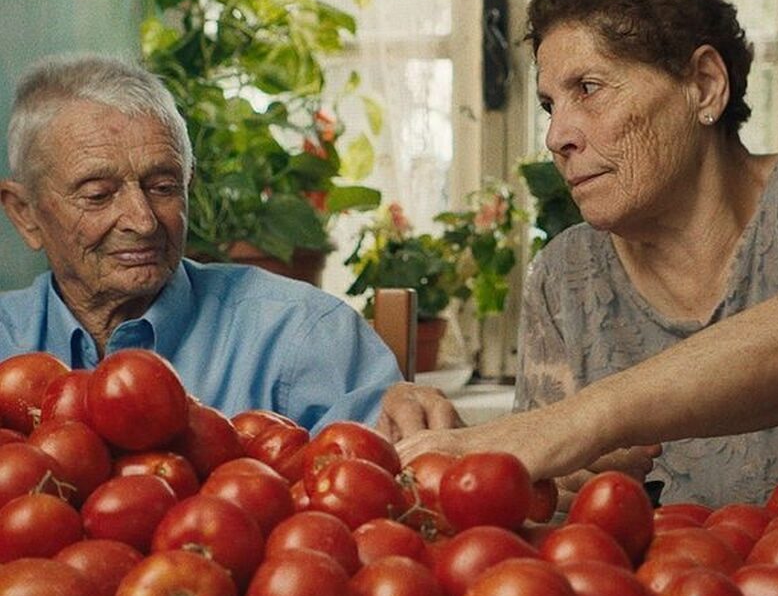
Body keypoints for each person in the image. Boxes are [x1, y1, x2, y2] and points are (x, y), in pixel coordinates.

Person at [397, 0, 778, 506]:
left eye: (588, 88)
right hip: (677, 591)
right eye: (549, 104)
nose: (557, 136)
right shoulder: (565, 274)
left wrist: (593, 419)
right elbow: (549, 481)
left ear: (703, 85)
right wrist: (546, 472)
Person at [0, 54, 458, 437]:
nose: (142, 221)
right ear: (25, 214)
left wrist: (412, 417)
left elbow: (392, 484)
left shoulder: (300, 333)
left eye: (163, 187)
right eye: (98, 195)